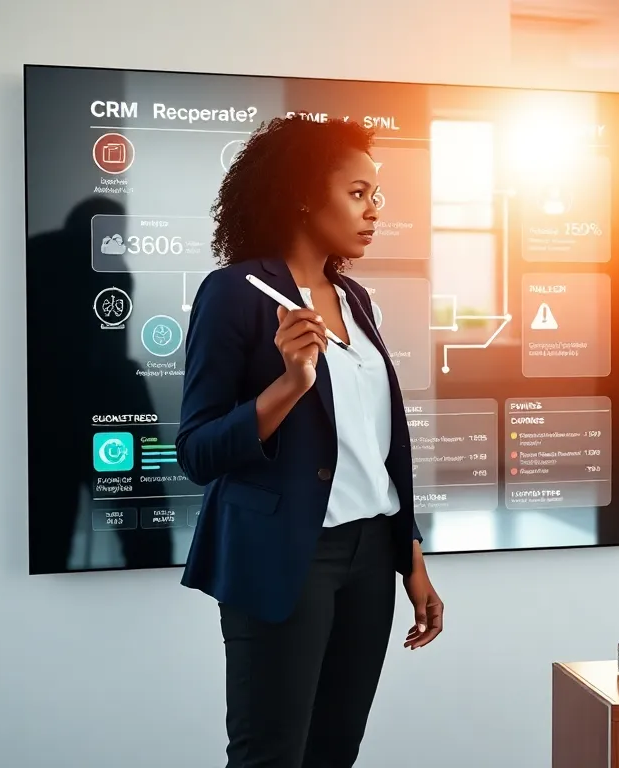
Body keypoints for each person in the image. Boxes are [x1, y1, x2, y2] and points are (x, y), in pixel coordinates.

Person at [176, 116, 444, 768]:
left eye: (376, 195)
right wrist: (288, 386)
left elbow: (370, 447)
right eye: (358, 193)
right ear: (301, 193)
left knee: (334, 752)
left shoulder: (354, 297)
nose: (375, 210)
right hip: (283, 557)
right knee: (271, 755)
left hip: (371, 558)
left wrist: (409, 553)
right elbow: (197, 451)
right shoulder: (233, 294)